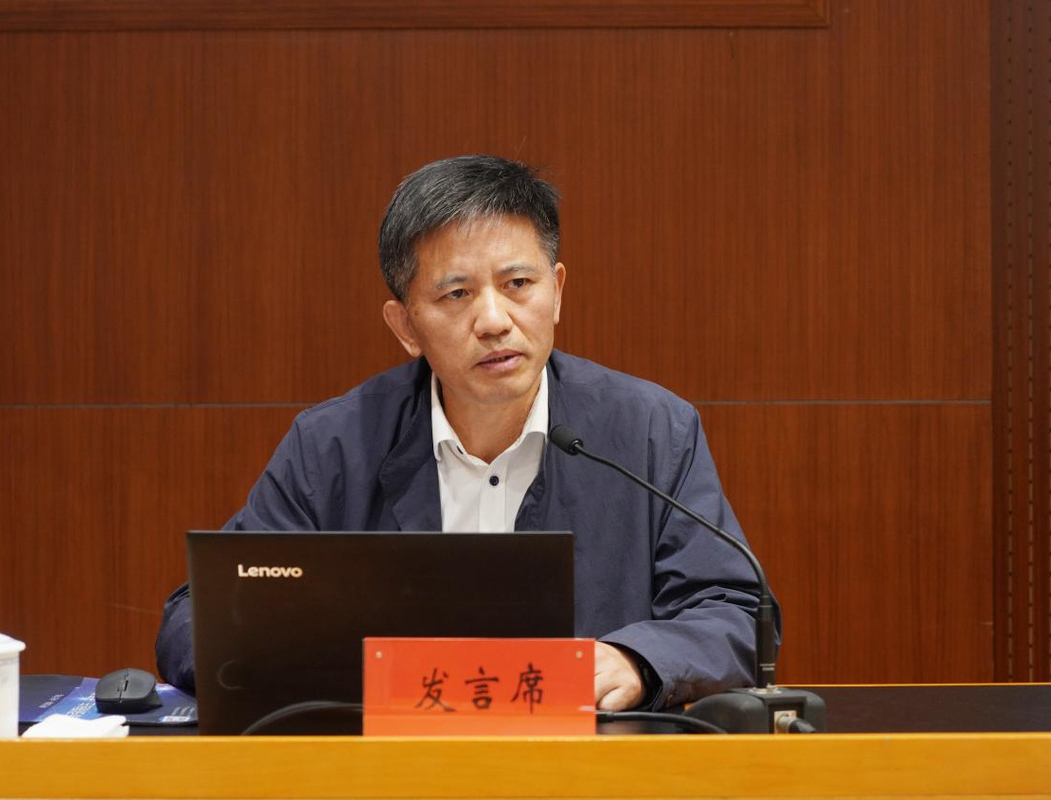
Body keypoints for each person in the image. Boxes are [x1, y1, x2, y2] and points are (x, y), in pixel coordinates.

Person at [156, 154, 771, 711]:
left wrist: (638, 661)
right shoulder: (335, 445)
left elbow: (735, 612)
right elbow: (197, 619)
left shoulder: (651, 430)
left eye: (518, 285)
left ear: (557, 291)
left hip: (587, 769)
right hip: (390, 772)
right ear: (405, 326)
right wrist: (330, 668)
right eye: (456, 293)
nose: (495, 320)